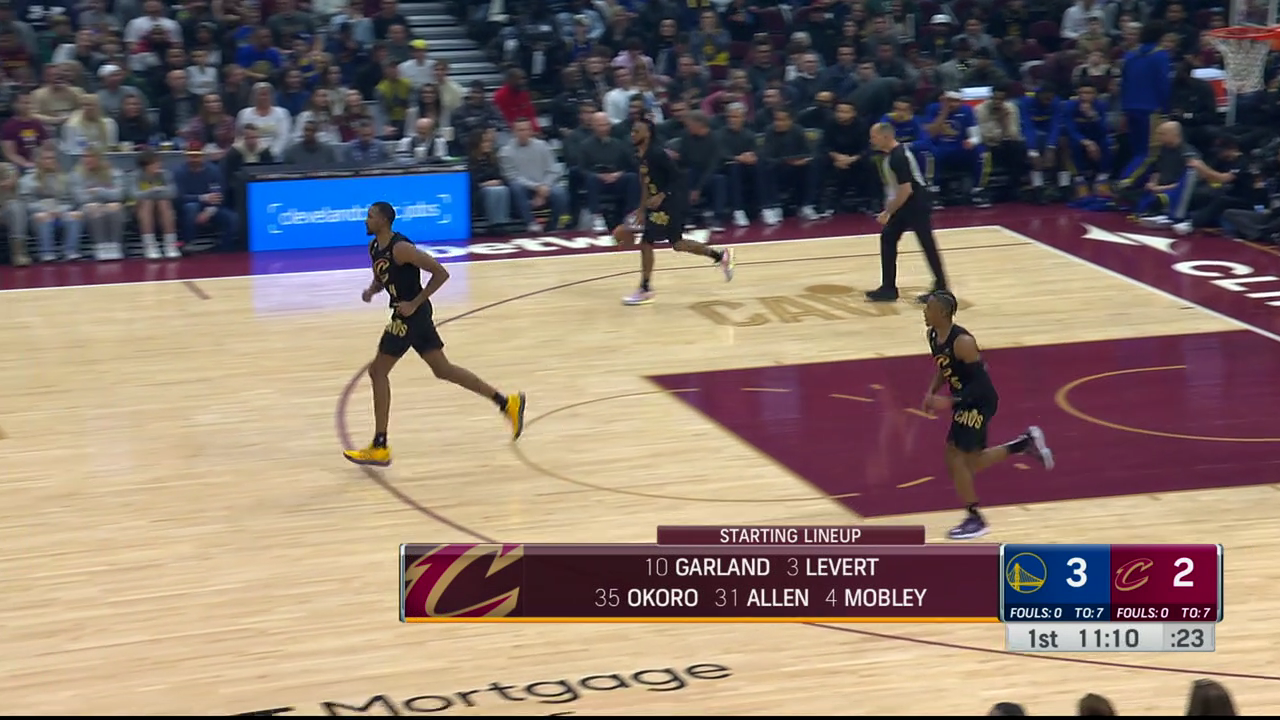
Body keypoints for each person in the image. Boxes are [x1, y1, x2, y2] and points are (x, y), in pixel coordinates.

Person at [343, 202, 527, 467]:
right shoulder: (374, 247)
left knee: (377, 372)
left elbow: (441, 273)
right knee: (443, 369)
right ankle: (506, 403)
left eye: (370, 216)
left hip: (410, 316)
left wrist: (414, 303)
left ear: (383, 221)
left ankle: (380, 446)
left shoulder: (401, 248)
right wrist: (372, 290)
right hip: (412, 316)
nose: (365, 220)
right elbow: (382, 275)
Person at [920, 290, 1054, 540]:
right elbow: (944, 367)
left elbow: (980, 385)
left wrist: (949, 402)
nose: (924, 311)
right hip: (964, 400)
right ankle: (1024, 443)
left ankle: (976, 519)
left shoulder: (963, 342)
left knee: (955, 459)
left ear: (943, 312)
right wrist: (931, 392)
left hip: (979, 401)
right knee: (971, 462)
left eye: (929, 308)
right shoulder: (933, 335)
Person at [612, 117, 734, 306]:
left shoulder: (657, 154)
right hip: (658, 205)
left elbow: (678, 178)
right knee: (678, 244)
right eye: (632, 130)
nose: (632, 134)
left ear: (648, 133)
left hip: (671, 203)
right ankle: (720, 256)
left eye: (637, 131)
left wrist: (662, 195)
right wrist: (642, 209)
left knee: (646, 241)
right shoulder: (640, 155)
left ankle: (645, 289)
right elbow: (645, 184)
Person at [866, 122, 947, 303]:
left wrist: (887, 212)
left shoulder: (898, 157)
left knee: (926, 243)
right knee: (888, 237)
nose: (871, 140)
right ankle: (888, 288)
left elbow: (906, 190)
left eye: (874, 137)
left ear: (886, 137)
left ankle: (942, 288)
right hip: (908, 202)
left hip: (916, 202)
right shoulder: (894, 154)